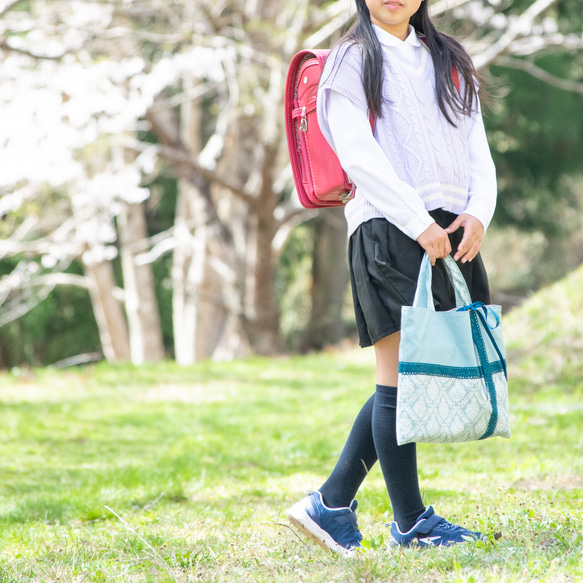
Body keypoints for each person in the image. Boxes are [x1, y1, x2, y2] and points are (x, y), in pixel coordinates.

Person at [286, 0, 497, 553]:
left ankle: (331, 504)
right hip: (389, 228)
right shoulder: (352, 59)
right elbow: (357, 155)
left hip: (453, 232)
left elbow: (476, 144)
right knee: (398, 377)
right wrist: (415, 219)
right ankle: (408, 522)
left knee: (405, 375)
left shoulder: (448, 58)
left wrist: (479, 212)